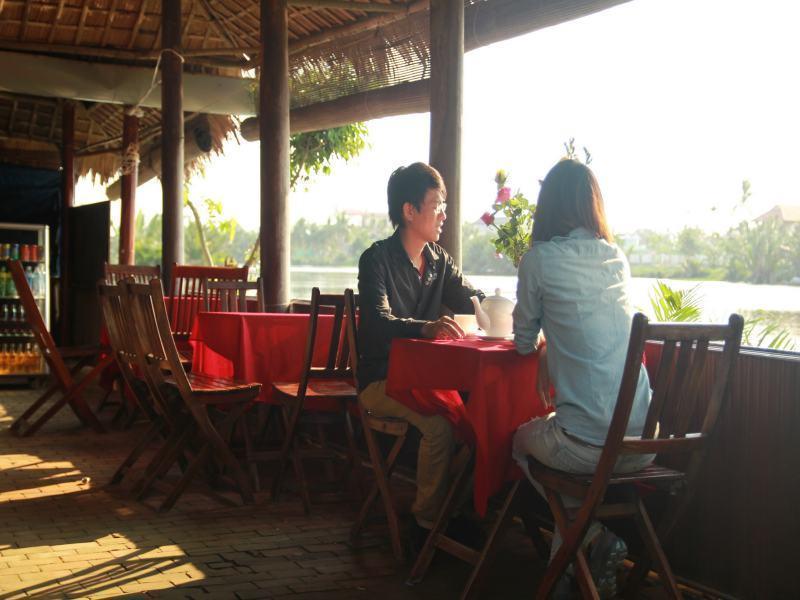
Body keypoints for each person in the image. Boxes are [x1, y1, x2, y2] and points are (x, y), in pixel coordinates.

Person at [511, 159, 653, 598]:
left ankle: (588, 541)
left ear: (547, 206)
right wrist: (553, 345)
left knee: (519, 441)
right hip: (644, 447)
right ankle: (574, 572)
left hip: (589, 451)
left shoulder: (539, 259)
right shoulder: (616, 258)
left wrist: (542, 345)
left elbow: (519, 341)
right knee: (570, 459)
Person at [357, 162, 484, 541]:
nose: (444, 214)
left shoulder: (439, 262)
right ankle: (426, 526)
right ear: (409, 211)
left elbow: (472, 300)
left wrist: (497, 306)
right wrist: (425, 327)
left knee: (482, 421)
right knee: (440, 428)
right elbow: (378, 323)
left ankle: (453, 510)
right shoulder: (376, 259)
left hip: (427, 381)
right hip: (381, 378)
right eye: (437, 205)